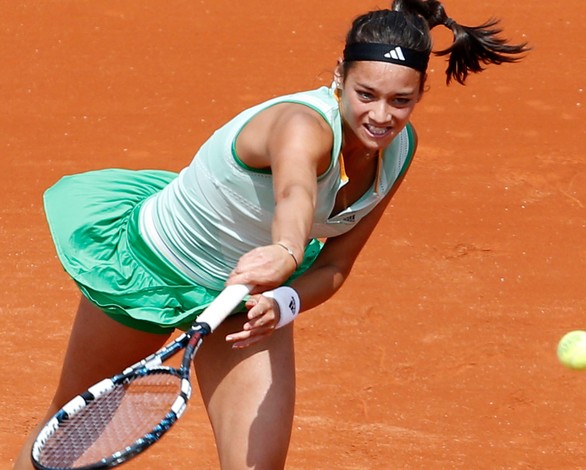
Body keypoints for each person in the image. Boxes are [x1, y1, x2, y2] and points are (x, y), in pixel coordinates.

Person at [15, 1, 527, 468]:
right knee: (66, 439)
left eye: (401, 101)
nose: (381, 116)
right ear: (338, 78)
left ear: (419, 95)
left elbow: (333, 267)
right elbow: (295, 196)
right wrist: (286, 249)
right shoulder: (301, 127)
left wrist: (280, 302)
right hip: (152, 267)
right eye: (365, 94)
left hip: (246, 298)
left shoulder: (399, 149)